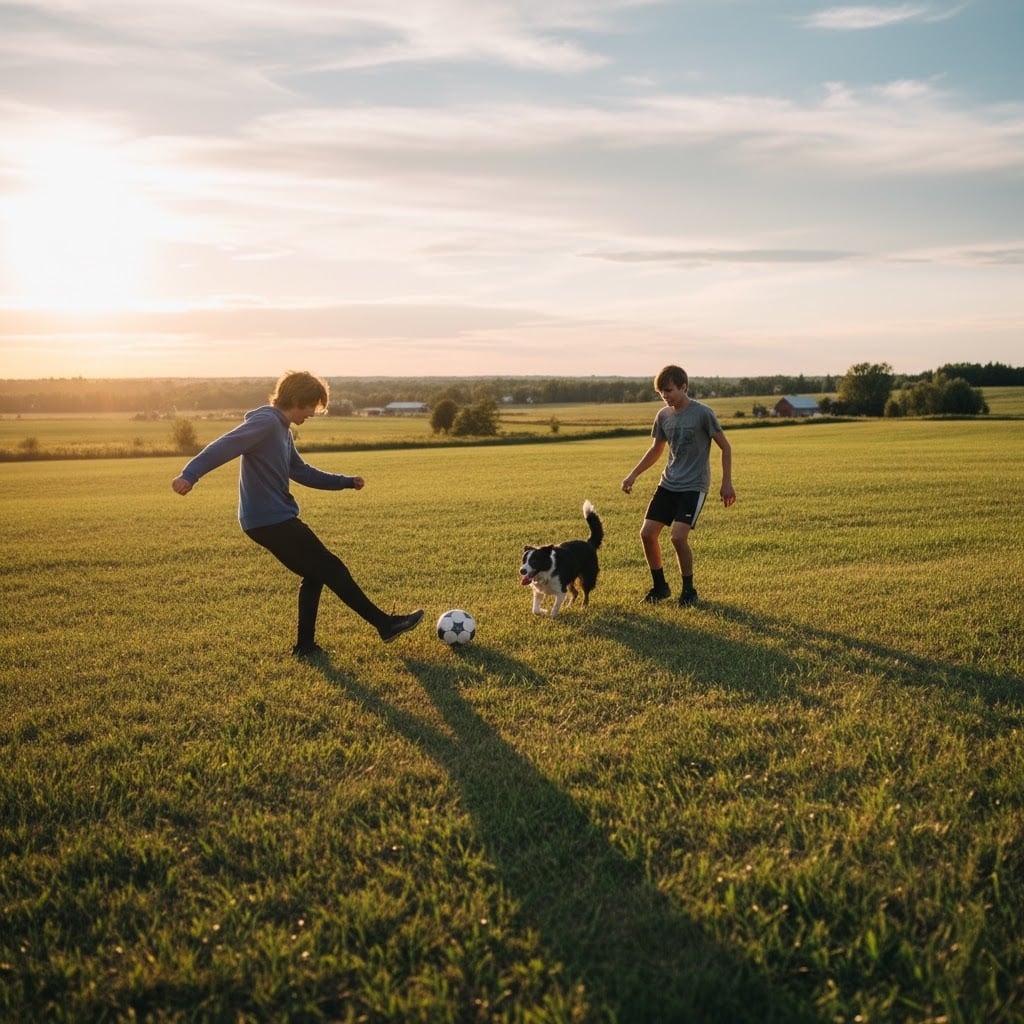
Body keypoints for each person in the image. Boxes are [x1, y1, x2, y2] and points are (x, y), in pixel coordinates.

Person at [171, 370, 423, 657]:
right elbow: (225, 445)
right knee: (332, 567)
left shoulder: (281, 429)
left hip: (269, 518)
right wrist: (190, 474)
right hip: (270, 519)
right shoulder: (266, 422)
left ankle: (305, 647)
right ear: (298, 400)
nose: (313, 413)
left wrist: (344, 482)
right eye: (312, 406)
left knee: (315, 574)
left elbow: (300, 471)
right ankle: (385, 624)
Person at [621, 364, 735, 606]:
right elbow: (656, 450)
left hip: (694, 486)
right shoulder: (663, 416)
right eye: (661, 392)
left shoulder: (703, 413)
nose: (666, 396)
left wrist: (727, 484)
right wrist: (633, 475)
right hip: (669, 483)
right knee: (647, 534)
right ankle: (660, 587)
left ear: (684, 387)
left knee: (677, 537)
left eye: (669, 390)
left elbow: (726, 447)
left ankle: (689, 591)